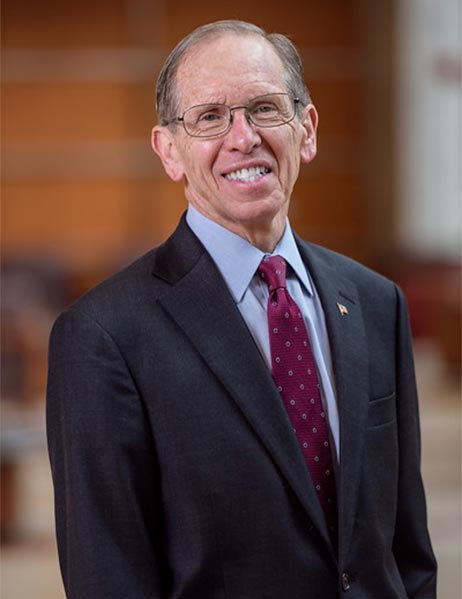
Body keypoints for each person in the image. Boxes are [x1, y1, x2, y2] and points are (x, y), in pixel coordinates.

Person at [46, 19, 437, 599]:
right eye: (209, 117)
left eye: (264, 108)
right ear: (169, 151)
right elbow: (108, 577)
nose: (243, 137)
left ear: (306, 130)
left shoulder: (378, 303)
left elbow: (408, 556)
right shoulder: (104, 336)